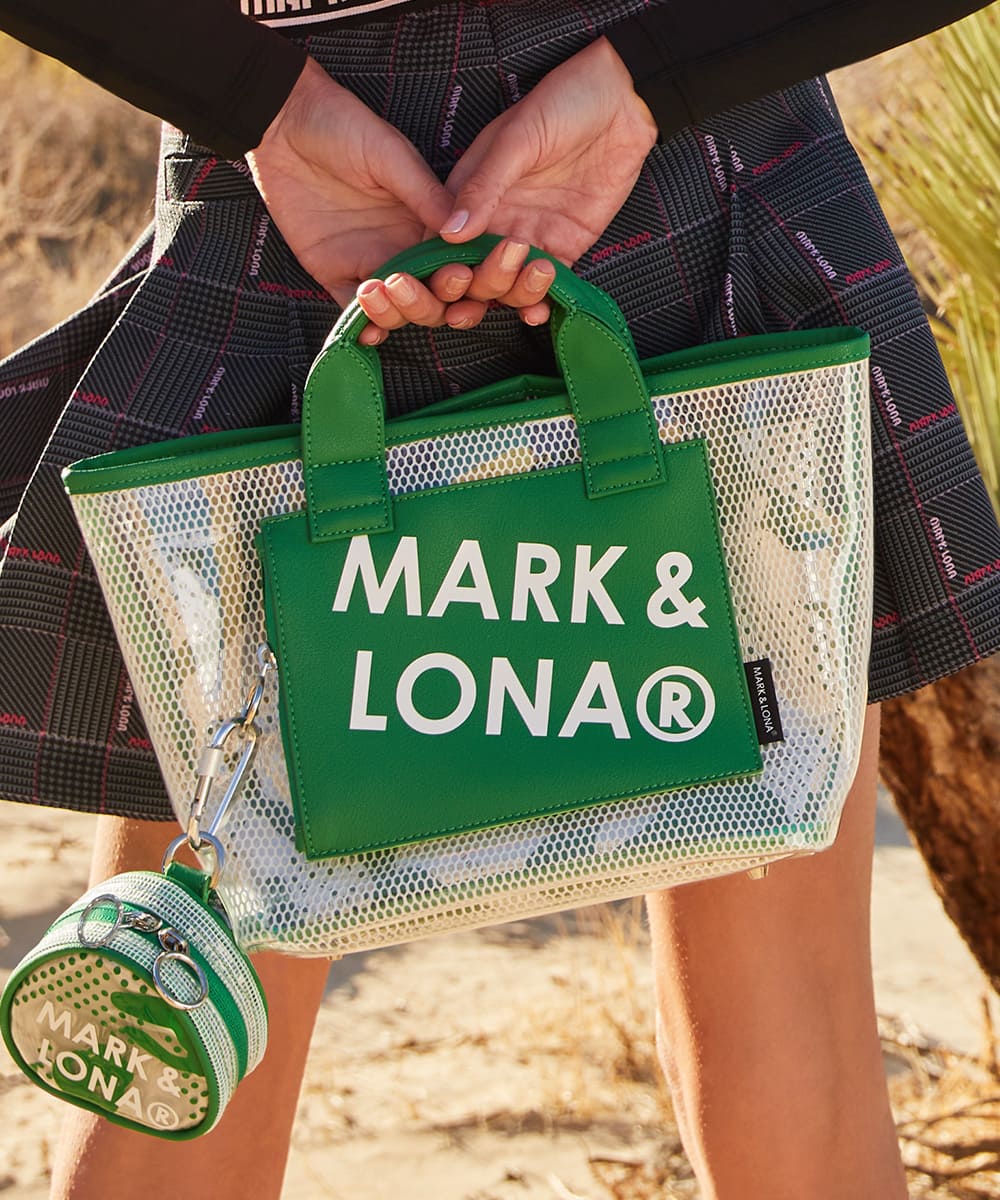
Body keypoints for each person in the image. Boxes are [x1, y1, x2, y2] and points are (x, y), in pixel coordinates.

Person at [1, 2, 998, 1197]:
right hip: (669, 121)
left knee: (189, 995)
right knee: (793, 1031)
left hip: (304, 146)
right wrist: (654, 72)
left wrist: (253, 97)